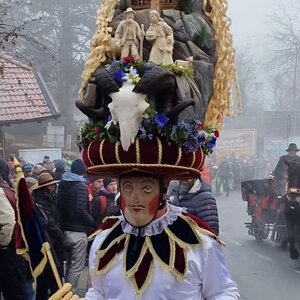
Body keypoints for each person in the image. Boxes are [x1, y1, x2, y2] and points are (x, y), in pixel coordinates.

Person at [32, 172, 74, 300]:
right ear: (44, 188)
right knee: (49, 276)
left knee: (57, 272)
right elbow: (49, 222)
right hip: (49, 243)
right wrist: (62, 238)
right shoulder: (40, 202)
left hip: (56, 243)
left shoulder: (51, 197)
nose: (54, 187)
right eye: (51, 186)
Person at [57, 159, 95, 293]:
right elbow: (80, 210)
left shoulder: (62, 183)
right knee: (77, 266)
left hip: (65, 230)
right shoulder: (81, 185)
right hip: (78, 231)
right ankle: (70, 292)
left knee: (68, 264)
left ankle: (64, 291)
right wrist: (92, 222)